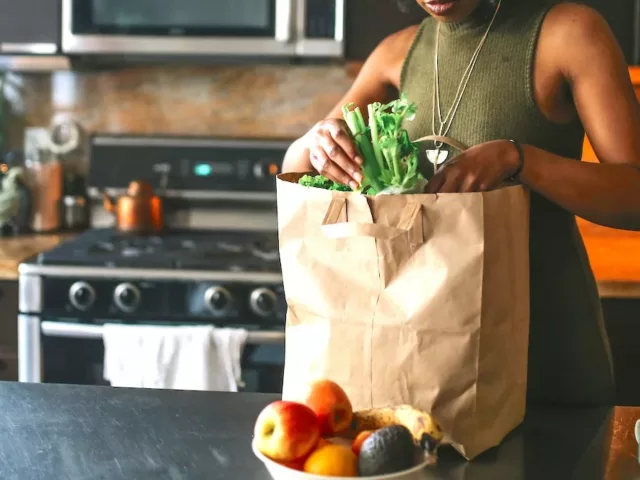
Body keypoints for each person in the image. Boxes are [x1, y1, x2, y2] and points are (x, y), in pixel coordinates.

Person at [281, 0, 640, 406]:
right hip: (421, 357)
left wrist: (518, 159)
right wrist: (318, 142)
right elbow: (295, 169)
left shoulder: (570, 33)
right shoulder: (396, 53)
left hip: (545, 350)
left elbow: (634, 195)